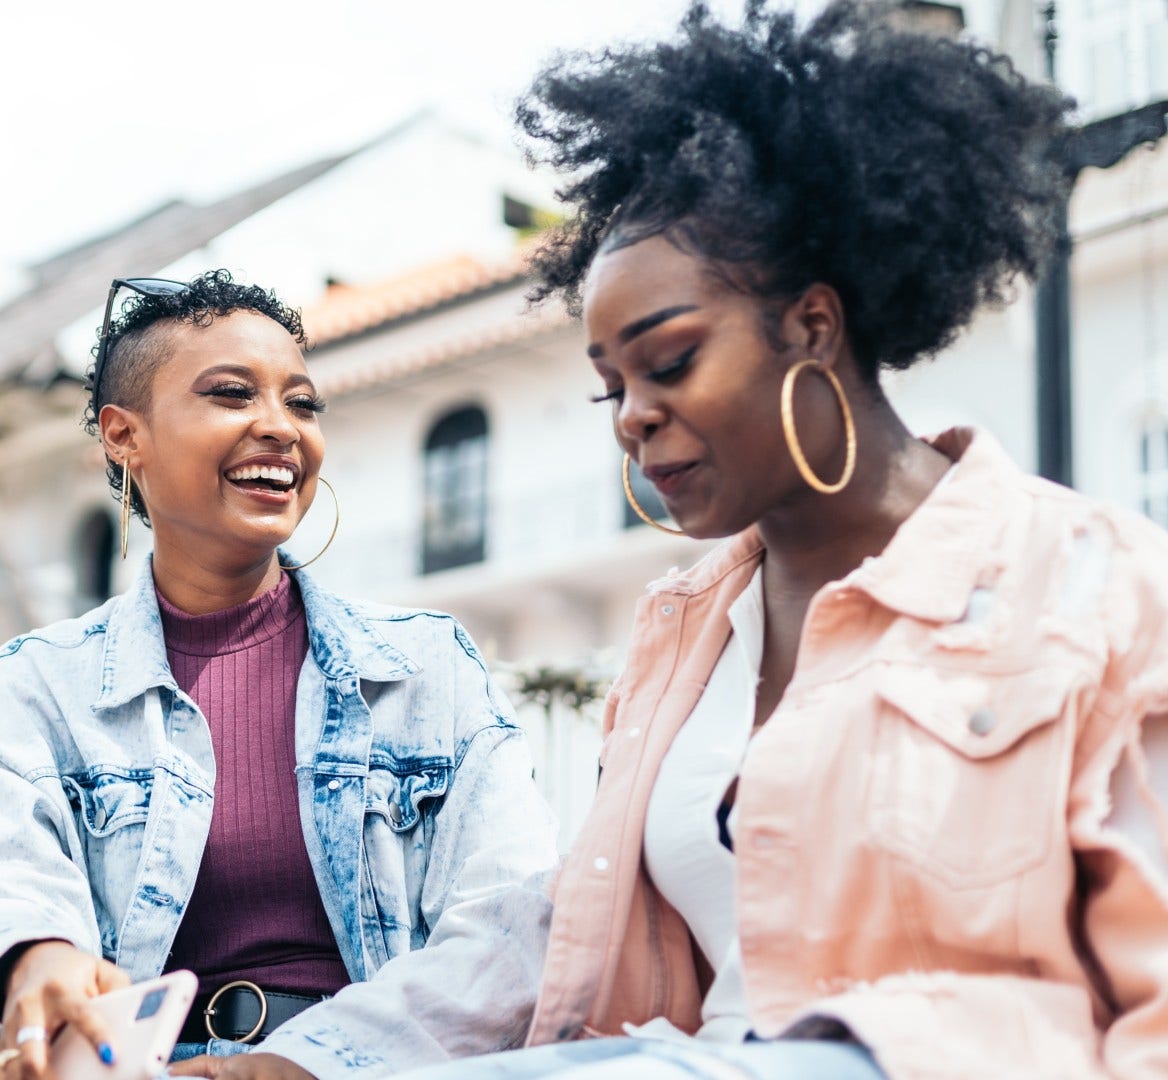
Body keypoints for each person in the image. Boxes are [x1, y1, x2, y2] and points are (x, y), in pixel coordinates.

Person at [399, 3, 1168, 1078]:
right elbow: (567, 928)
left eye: (669, 363)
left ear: (813, 324)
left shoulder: (1099, 586)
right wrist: (316, 1056)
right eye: (611, 388)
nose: (632, 416)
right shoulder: (679, 637)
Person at [0, 269, 560, 1080]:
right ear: (124, 436)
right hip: (125, 1061)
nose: (280, 428)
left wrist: (299, 1062)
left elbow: (509, 924)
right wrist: (37, 957)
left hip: (353, 1066)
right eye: (232, 394)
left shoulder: (428, 668)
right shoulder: (30, 690)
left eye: (302, 404)